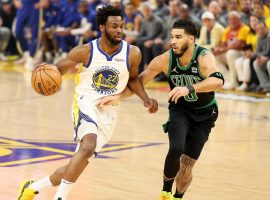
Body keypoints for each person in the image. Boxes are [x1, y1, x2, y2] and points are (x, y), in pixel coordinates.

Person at [17, 5, 158, 200]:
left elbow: (133, 79)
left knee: (77, 162)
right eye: (114, 26)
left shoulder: (132, 53)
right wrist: (46, 72)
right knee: (87, 147)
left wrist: (146, 99)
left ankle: (33, 187)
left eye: (121, 26)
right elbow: (57, 70)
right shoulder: (84, 52)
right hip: (85, 103)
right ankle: (60, 198)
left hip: (109, 111)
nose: (119, 30)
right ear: (102, 27)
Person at [97, 18, 224, 200]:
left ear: (191, 40)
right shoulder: (165, 59)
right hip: (180, 110)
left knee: (186, 166)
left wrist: (189, 88)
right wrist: (117, 96)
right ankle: (165, 192)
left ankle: (178, 196)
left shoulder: (204, 57)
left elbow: (218, 81)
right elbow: (140, 82)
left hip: (205, 115)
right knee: (176, 148)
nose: (173, 41)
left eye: (178, 37)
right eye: (172, 37)